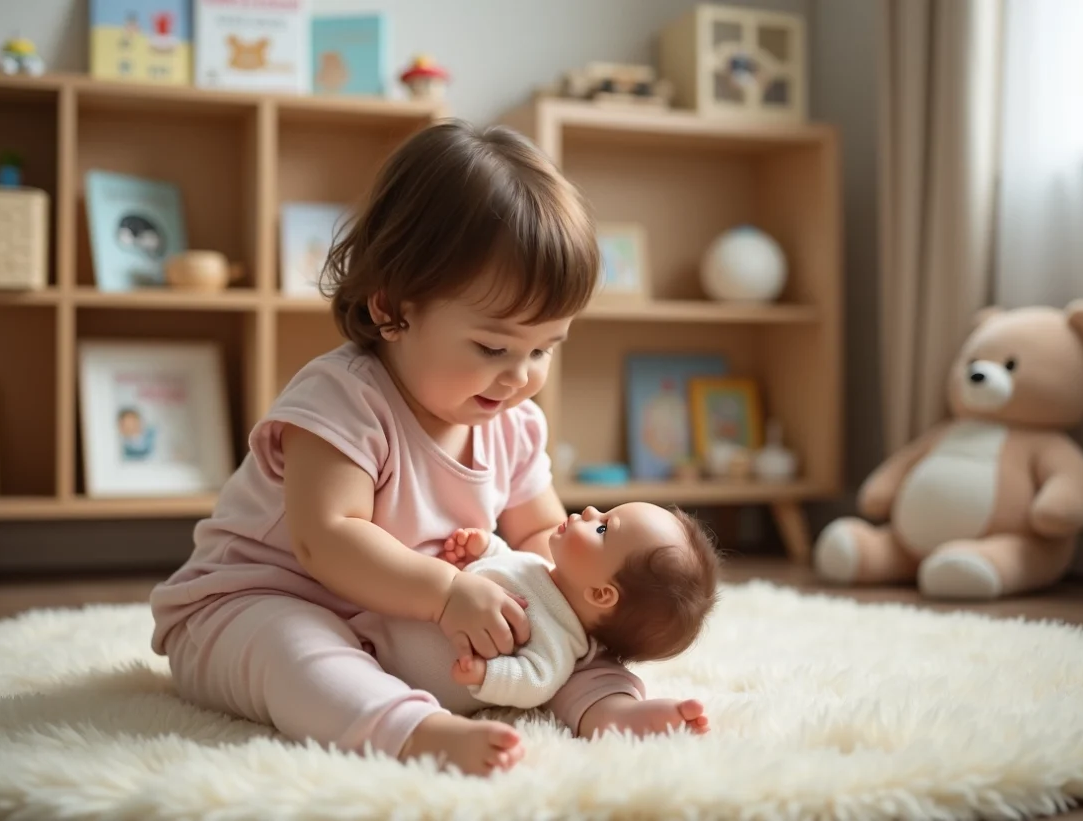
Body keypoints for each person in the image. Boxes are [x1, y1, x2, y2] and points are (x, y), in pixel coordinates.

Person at [148, 119, 713, 778]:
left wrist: (566, 608)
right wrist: (448, 593)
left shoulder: (515, 424)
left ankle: (607, 707)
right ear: (394, 308)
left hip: (398, 617)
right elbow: (326, 538)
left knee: (554, 609)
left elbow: (540, 536)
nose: (522, 374)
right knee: (297, 650)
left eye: (545, 348)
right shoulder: (343, 398)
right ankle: (412, 730)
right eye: (494, 347)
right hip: (251, 605)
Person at [351, 502, 719, 718]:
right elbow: (511, 564)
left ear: (602, 594)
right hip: (382, 621)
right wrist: (485, 549)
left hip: (395, 673)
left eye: (604, 528)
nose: (590, 510)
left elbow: (535, 682)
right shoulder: (541, 569)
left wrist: (487, 674)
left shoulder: (560, 639)